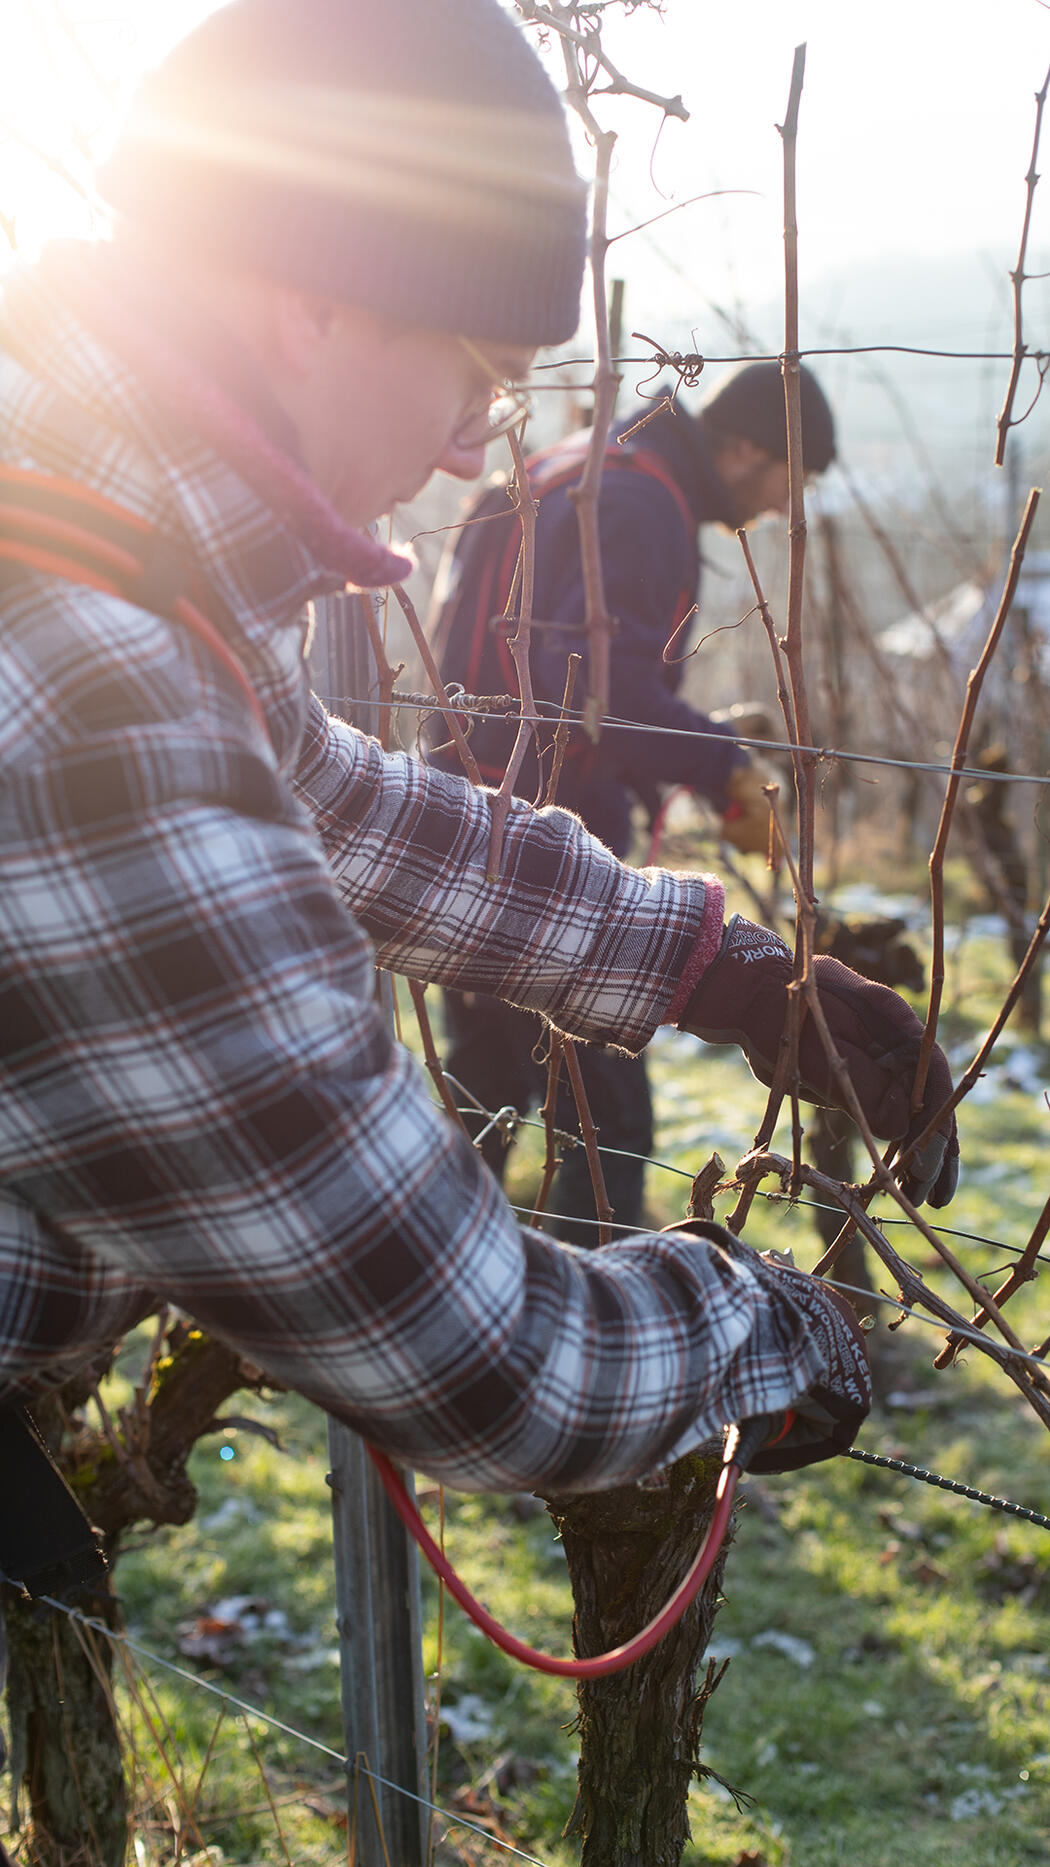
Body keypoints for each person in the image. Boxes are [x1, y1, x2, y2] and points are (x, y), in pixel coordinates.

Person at [0, 0, 957, 1508]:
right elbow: (479, 1354)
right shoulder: (96, 691)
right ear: (308, 299)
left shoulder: (91, 539)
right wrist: (762, 1332)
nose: (472, 443)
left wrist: (708, 965)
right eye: (479, 372)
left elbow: (330, 800)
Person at [433, 363, 836, 1239]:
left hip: (465, 814)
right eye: (787, 480)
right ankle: (589, 1324)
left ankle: (434, 1288)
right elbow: (596, 692)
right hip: (547, 835)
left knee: (483, 1092)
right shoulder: (639, 500)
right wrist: (722, 767)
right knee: (606, 1124)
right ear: (742, 447)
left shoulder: (577, 462)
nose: (780, 508)